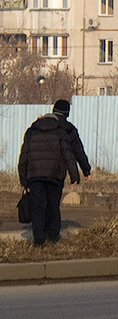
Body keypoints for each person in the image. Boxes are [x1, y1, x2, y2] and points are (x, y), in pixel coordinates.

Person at [18, 100, 86, 246]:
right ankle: (53, 236)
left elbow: (24, 155)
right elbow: (70, 154)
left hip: (34, 174)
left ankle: (39, 240)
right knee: (53, 204)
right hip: (55, 173)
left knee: (38, 206)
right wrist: (76, 175)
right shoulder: (62, 131)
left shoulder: (31, 131)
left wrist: (23, 178)